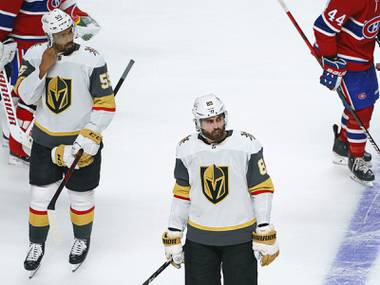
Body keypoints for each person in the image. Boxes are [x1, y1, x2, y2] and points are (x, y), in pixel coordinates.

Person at [14, 9, 115, 275]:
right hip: (45, 139)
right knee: (39, 196)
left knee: (81, 196)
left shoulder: (92, 59)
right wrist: (43, 69)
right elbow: (23, 95)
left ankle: (81, 239)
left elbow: (105, 104)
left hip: (79, 141)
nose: (67, 37)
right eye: (60, 34)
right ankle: (36, 244)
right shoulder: (35, 55)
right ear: (49, 36)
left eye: (69, 30)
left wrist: (89, 137)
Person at [162, 94, 279, 285]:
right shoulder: (186, 149)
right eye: (209, 121)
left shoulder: (247, 145)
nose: (216, 125)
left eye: (219, 119)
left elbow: (262, 189)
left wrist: (264, 227)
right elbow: (182, 193)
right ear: (197, 122)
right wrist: (174, 231)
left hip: (240, 240)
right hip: (199, 241)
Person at [0, 0, 100, 165]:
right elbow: (3, 18)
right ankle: (16, 146)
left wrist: (80, 18)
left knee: (44, 94)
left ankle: (18, 137)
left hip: (51, 46)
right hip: (22, 49)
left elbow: (64, 7)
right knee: (24, 95)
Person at [313, 0, 380, 185]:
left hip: (364, 55)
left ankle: (343, 144)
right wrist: (331, 62)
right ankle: (355, 157)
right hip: (344, 58)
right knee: (362, 109)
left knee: (362, 104)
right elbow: (323, 28)